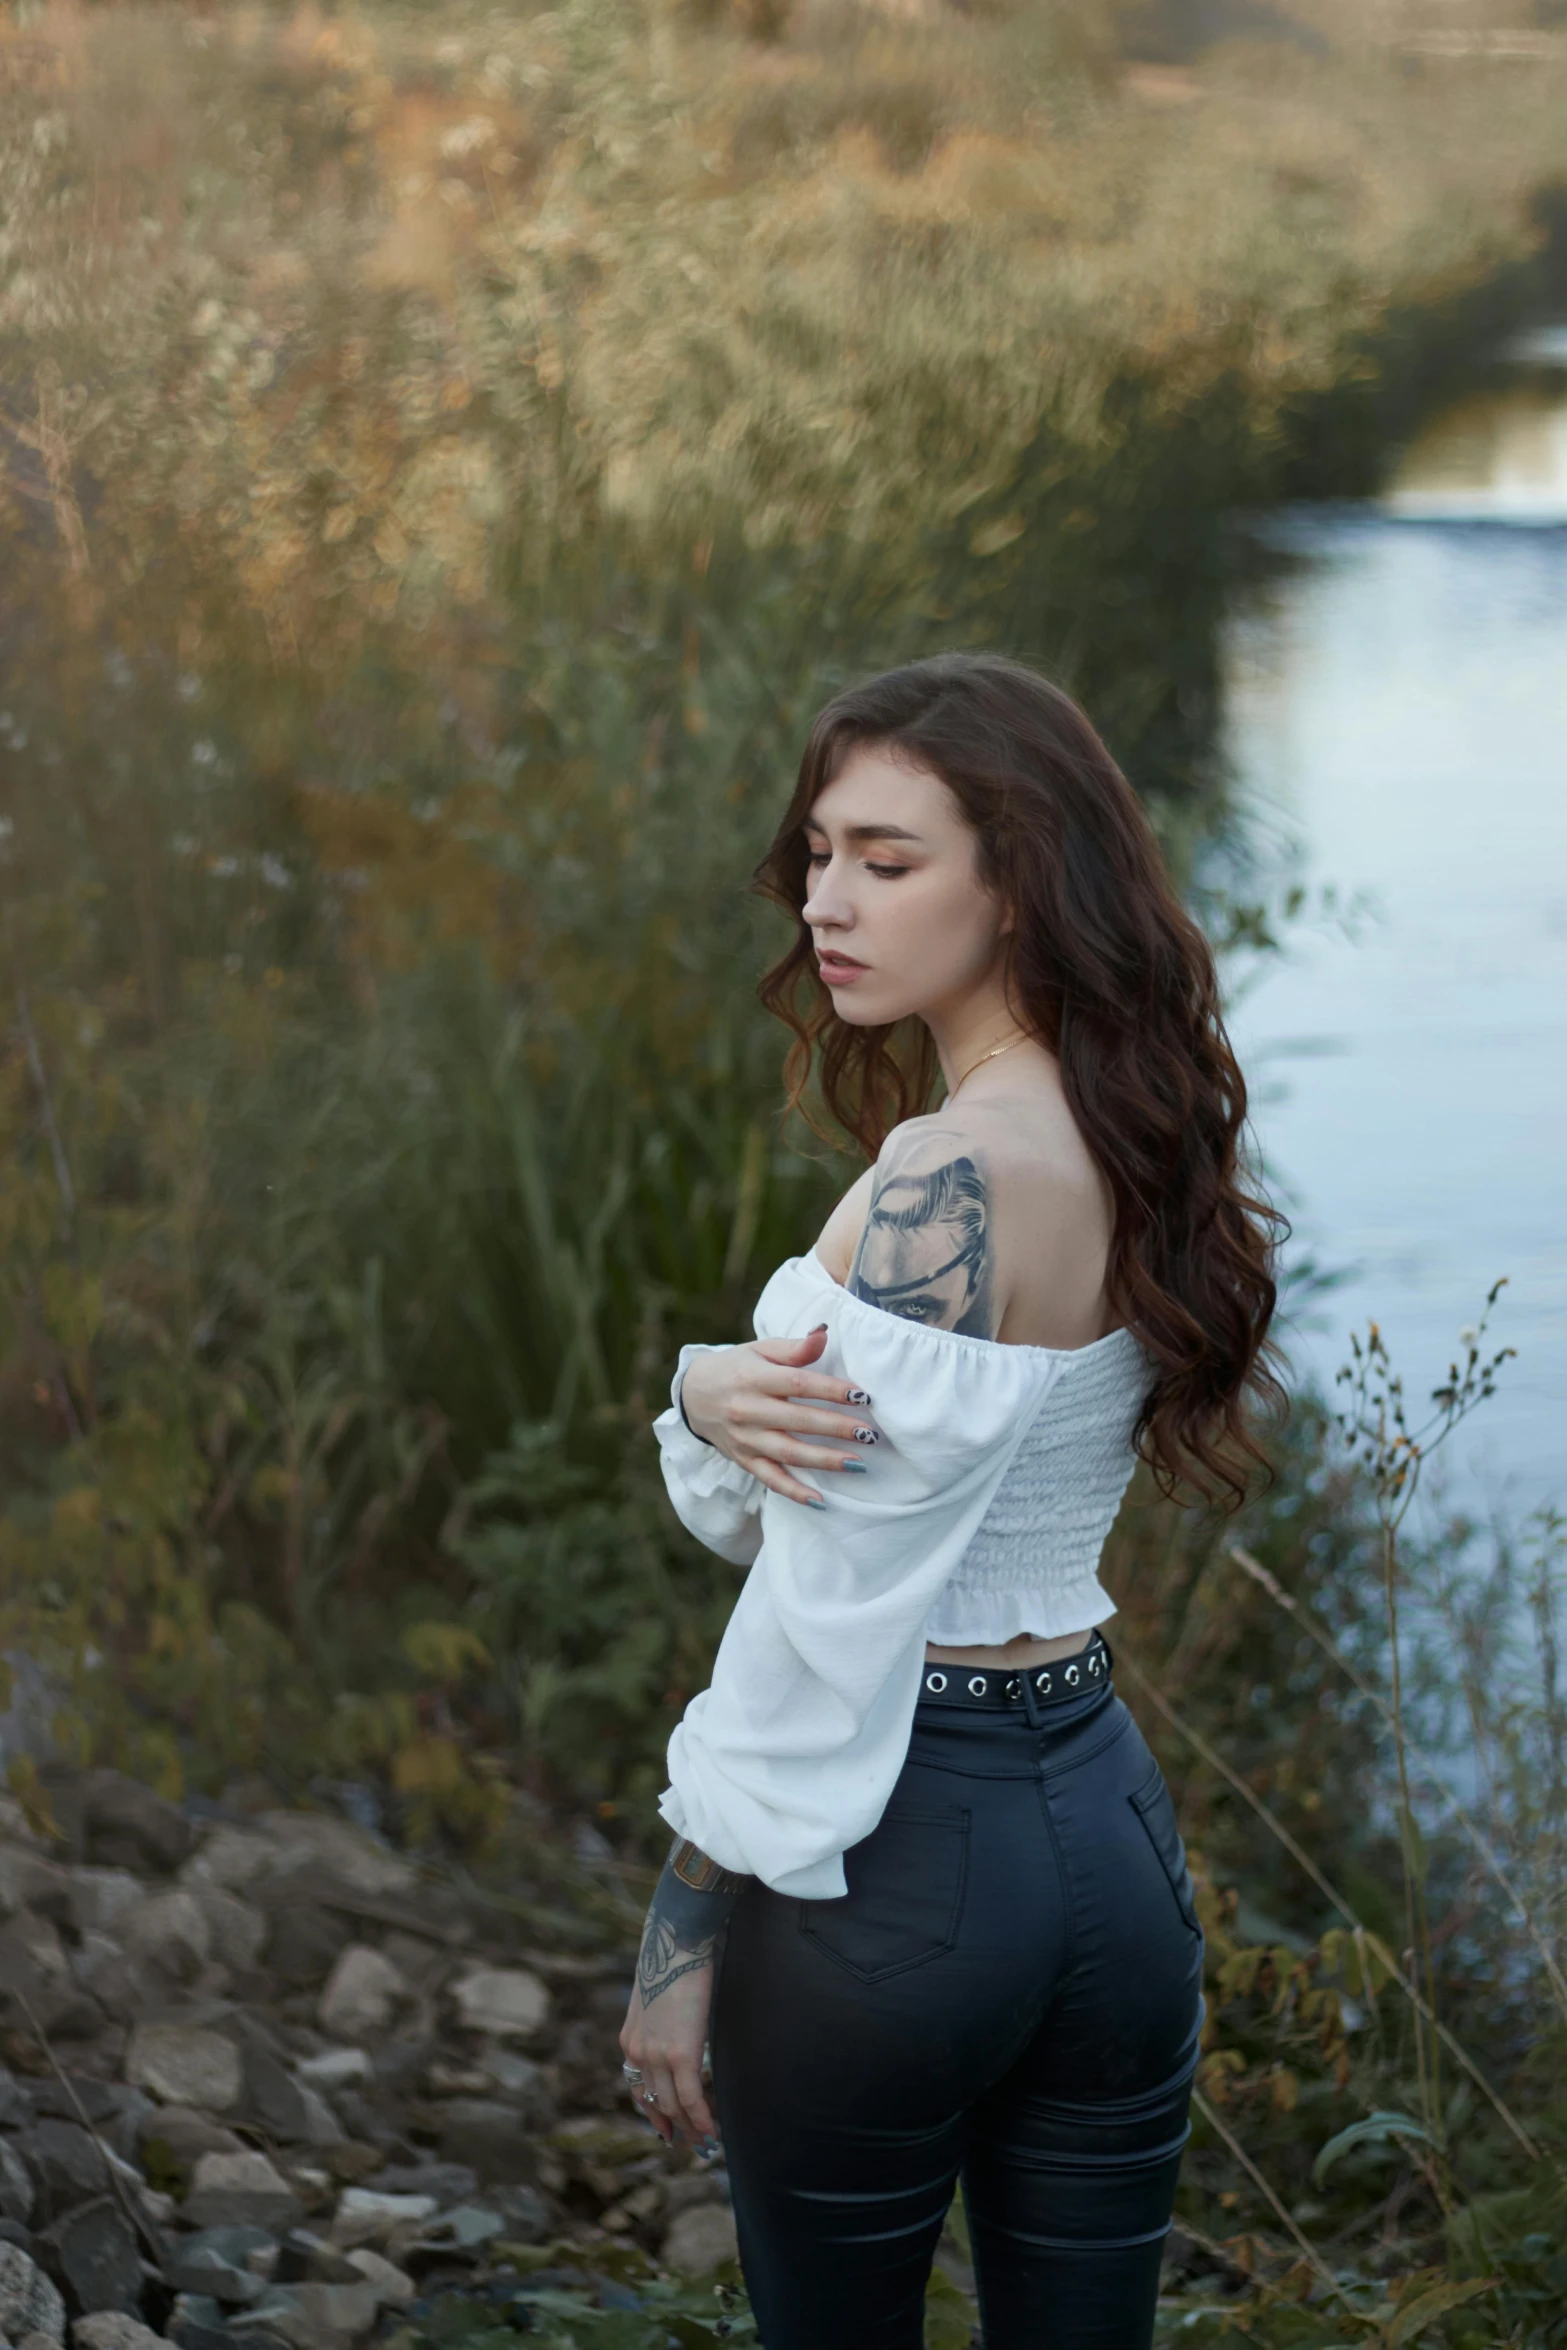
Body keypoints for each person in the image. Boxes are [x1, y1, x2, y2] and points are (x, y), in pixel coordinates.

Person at [618, 652, 1282, 2348]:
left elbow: (824, 1609)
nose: (827, 902)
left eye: (887, 861)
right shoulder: (1133, 1121)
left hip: (901, 1864)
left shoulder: (945, 1177)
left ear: (1017, 878)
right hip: (1109, 1843)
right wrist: (707, 1389)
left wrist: (679, 1928)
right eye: (821, 853)